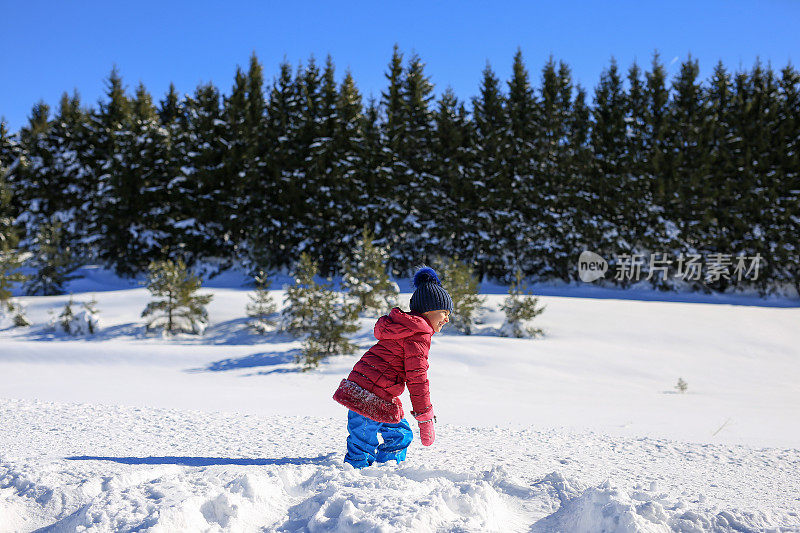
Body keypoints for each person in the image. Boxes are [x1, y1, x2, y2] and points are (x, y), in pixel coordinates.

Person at [332, 266, 453, 468]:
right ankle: (352, 478)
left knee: (400, 434)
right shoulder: (417, 335)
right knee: (362, 443)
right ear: (428, 310)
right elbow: (417, 379)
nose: (447, 319)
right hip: (366, 394)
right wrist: (424, 418)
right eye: (444, 312)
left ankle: (387, 470)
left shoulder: (410, 330)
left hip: (381, 395)